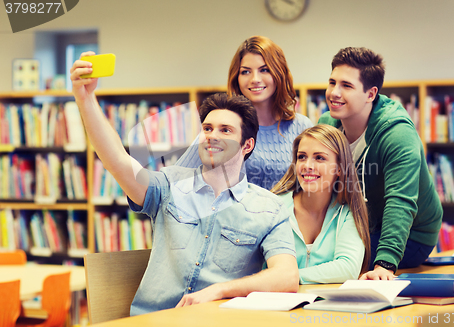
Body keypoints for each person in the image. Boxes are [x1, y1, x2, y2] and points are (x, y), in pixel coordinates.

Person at [70, 53, 299, 314]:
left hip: (216, 320)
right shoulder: (169, 185)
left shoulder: (269, 208)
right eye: (207, 128)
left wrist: (219, 291)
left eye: (226, 130)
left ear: (247, 145)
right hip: (154, 320)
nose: (212, 136)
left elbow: (287, 277)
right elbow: (117, 161)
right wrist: (85, 98)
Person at [317, 47, 443, 280]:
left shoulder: (397, 133)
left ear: (371, 94)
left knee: (328, 256)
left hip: (412, 236)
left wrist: (384, 264)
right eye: (332, 82)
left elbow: (400, 200)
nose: (334, 92)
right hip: (359, 226)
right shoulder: (327, 124)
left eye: (346, 85)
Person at [176, 36, 313, 190]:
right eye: (246, 71)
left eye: (264, 70)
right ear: (237, 78)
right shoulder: (222, 127)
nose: (255, 79)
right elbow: (175, 180)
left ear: (279, 73)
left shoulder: (303, 126)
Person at [271, 125, 370, 284]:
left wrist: (290, 277)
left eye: (319, 158)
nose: (307, 165)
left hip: (325, 305)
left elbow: (348, 268)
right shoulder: (274, 207)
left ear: (339, 168)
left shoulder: (348, 212)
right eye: (302, 157)